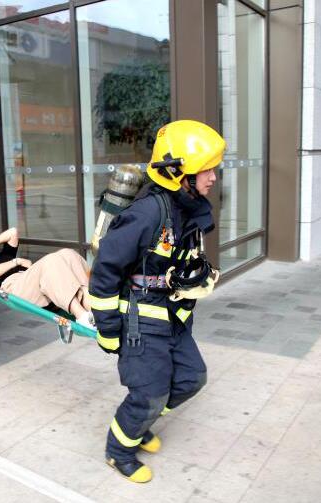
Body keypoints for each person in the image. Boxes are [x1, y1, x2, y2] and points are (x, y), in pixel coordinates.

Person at [88, 120, 225, 483]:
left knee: (192, 378)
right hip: (141, 320)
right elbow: (104, 273)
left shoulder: (187, 208)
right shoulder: (147, 213)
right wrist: (108, 331)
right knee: (150, 393)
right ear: (179, 172)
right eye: (206, 169)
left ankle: (140, 421)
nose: (213, 177)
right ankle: (118, 451)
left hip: (173, 317)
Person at [0, 228, 93, 327]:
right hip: (14, 286)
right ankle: (81, 316)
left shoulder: (3, 256)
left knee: (68, 253)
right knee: (50, 261)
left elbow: (13, 232)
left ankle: (93, 304)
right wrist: (17, 262)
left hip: (31, 279)